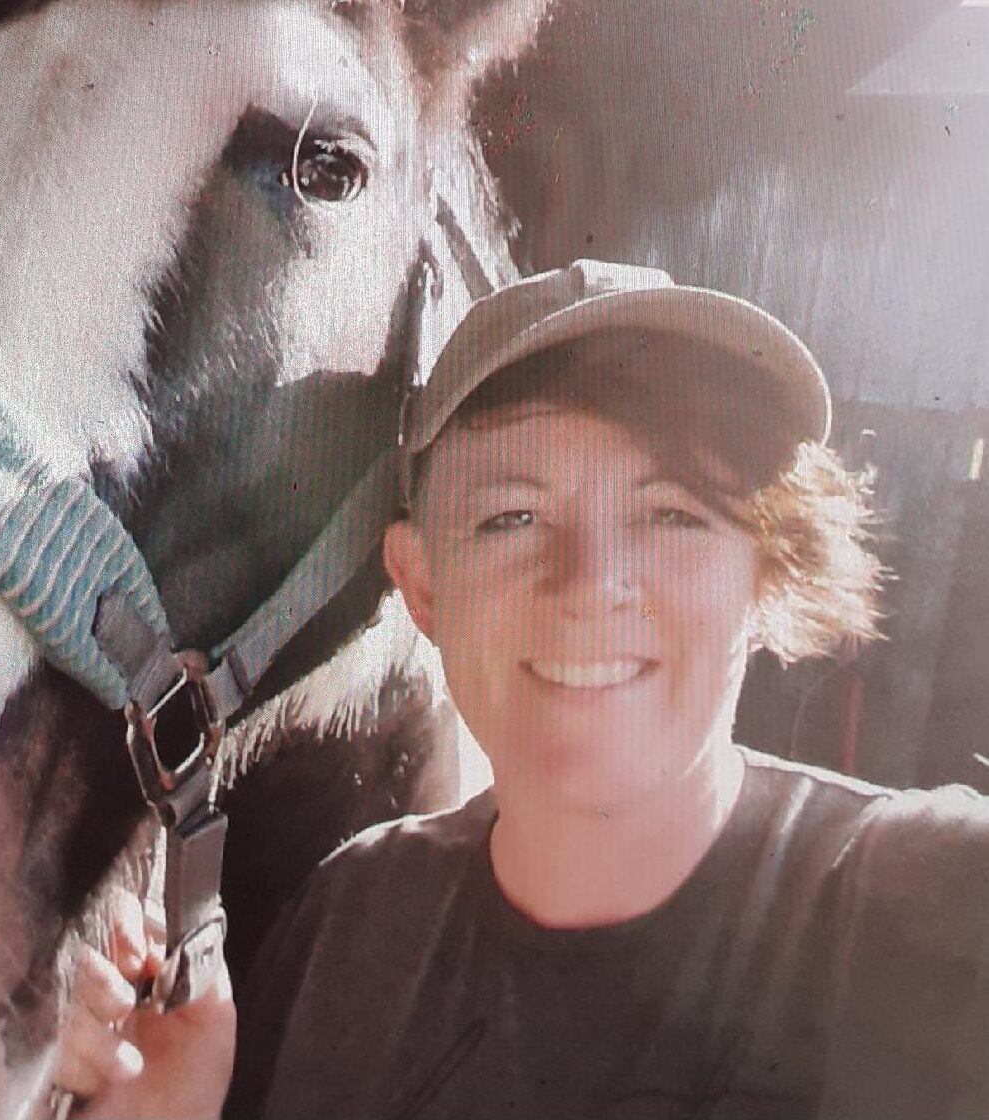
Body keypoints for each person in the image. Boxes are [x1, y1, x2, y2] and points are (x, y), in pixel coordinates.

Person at [50, 260, 989, 1120]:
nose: (590, 583)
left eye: (673, 512)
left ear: (761, 574)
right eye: (515, 515)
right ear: (421, 585)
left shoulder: (932, 901)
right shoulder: (349, 930)